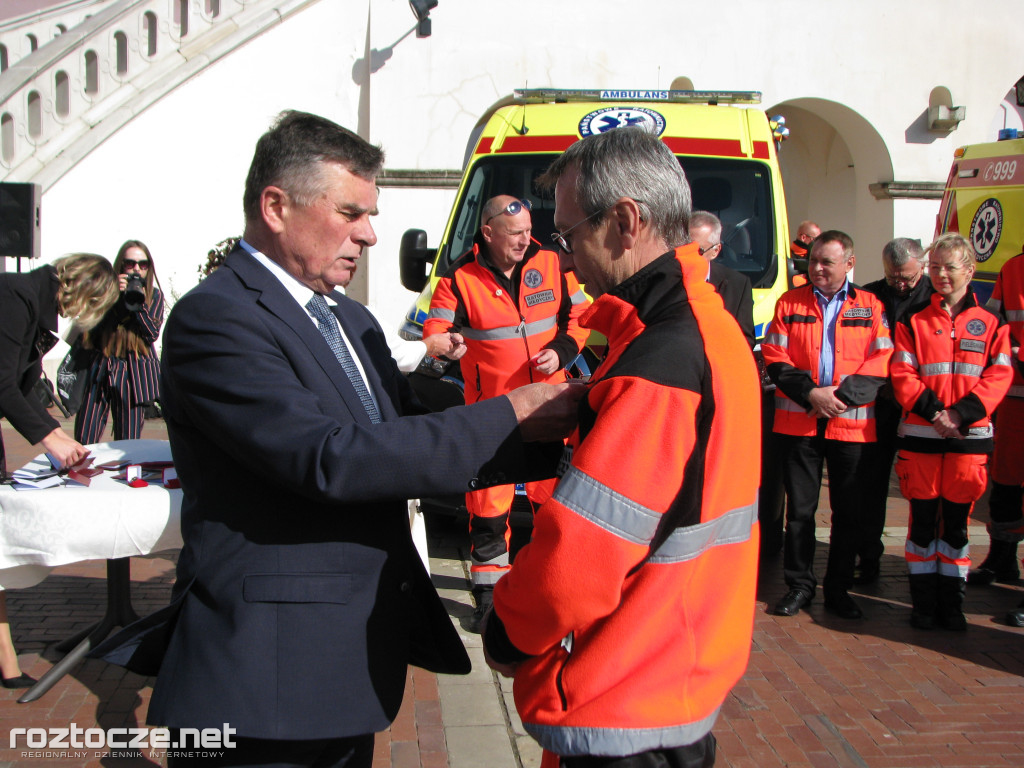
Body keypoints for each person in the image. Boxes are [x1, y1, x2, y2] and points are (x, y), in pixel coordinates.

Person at [92, 110, 582, 767]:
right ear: (276, 206)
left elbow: (408, 434)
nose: (371, 235)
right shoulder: (215, 319)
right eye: (350, 213)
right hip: (266, 682)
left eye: (370, 213)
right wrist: (508, 411)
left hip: (345, 665)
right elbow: (327, 457)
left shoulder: (349, 320)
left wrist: (569, 433)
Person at [482, 127, 761, 768]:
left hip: (620, 697)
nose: (567, 256)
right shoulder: (706, 324)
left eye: (572, 233)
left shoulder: (660, 359)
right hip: (674, 670)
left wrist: (507, 630)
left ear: (626, 221)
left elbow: (577, 560)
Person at [423, 194, 590, 631]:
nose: (524, 240)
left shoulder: (552, 262)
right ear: (489, 232)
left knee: (554, 501)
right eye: (515, 233)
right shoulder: (458, 277)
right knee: (489, 506)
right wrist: (447, 346)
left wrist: (563, 350)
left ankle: (553, 585)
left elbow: (581, 316)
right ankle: (489, 595)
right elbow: (435, 329)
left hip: (548, 406)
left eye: (528, 231)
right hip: (492, 411)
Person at [0, 253, 118, 687]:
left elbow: (26, 386)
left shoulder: (31, 304)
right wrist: (51, 441)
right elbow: (1, 383)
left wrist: (62, 442)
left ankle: (7, 661)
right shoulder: (17, 297)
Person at [763, 231, 892, 620]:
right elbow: (774, 354)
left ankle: (839, 589)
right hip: (799, 424)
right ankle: (799, 585)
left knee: (847, 513)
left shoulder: (870, 307)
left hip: (850, 427)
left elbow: (882, 360)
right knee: (800, 513)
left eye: (826, 262)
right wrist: (811, 394)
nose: (816, 268)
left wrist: (840, 398)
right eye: (813, 260)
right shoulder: (790, 302)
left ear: (849, 264)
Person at [890, 233, 1012, 630]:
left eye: (950, 266)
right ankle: (923, 604)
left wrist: (959, 415)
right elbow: (902, 374)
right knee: (922, 525)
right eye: (936, 266)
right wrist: (936, 413)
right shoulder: (913, 319)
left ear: (970, 271)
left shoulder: (993, 324)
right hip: (922, 439)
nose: (942, 274)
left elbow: (999, 376)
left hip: (968, 440)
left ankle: (952, 604)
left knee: (957, 526)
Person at [857, 238, 933, 584]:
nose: (900, 284)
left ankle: (928, 558)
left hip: (923, 405)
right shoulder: (869, 296)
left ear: (922, 266)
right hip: (882, 404)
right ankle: (868, 556)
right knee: (871, 483)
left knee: (925, 487)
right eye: (893, 277)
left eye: (907, 277)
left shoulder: (937, 296)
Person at [970, 250, 1024, 594]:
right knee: (1005, 482)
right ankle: (1001, 556)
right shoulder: (1013, 267)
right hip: (1014, 396)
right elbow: (995, 326)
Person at [74, 240, 165, 443]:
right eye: (130, 263)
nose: (136, 269)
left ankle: (127, 475)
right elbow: (89, 326)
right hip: (102, 364)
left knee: (128, 442)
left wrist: (138, 304)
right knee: (84, 437)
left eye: (143, 264)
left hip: (133, 372)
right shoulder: (105, 291)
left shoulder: (154, 295)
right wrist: (112, 295)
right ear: (120, 265)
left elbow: (151, 334)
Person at [689, 209, 755, 348]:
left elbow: (745, 339)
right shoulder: (666, 279)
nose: (688, 256)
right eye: (685, 248)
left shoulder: (737, 286)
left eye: (698, 251)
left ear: (715, 251)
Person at [788, 219, 820, 286]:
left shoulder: (818, 257)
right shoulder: (788, 257)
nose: (819, 243)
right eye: (816, 240)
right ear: (803, 237)